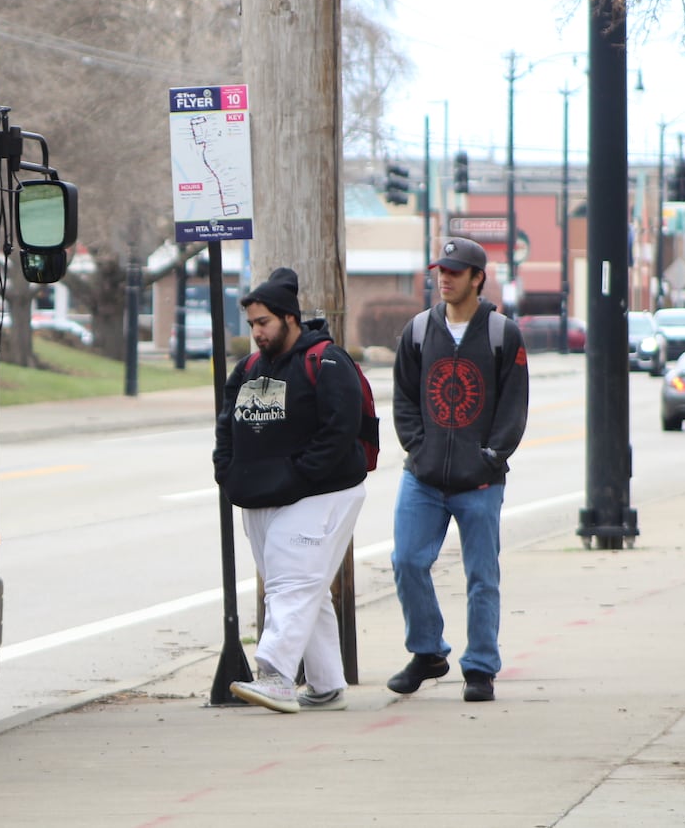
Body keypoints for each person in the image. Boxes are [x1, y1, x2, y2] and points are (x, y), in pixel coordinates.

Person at [213, 267, 369, 714]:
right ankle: (325, 685)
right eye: (251, 325)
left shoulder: (328, 361)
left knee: (292, 583)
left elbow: (340, 431)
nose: (256, 333)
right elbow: (227, 426)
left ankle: (277, 675)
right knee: (304, 588)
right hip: (260, 496)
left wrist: (299, 476)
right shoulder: (247, 368)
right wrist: (227, 471)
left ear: (289, 318)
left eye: (263, 323)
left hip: (322, 493)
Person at [389, 237, 529, 703]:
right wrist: (417, 447)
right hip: (423, 477)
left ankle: (481, 667)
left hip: (480, 481)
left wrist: (492, 456)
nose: (444, 278)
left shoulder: (501, 334)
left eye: (454, 271)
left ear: (476, 279)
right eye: (440, 271)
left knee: (481, 576)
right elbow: (405, 399)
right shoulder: (416, 331)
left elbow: (513, 406)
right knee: (407, 561)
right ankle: (428, 652)